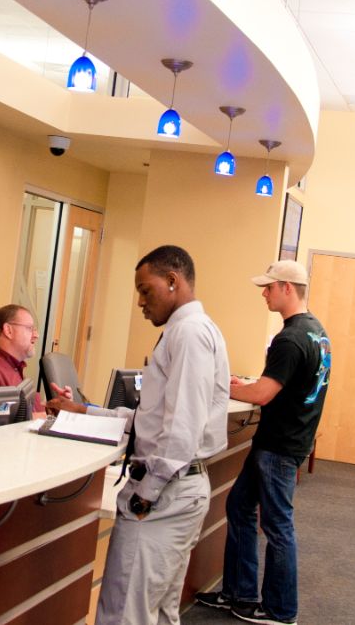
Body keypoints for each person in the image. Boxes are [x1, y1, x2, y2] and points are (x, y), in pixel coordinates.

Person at [46, 245, 230, 625]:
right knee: (157, 612)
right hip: (177, 490)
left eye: (146, 290)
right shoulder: (186, 331)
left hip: (165, 494)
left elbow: (182, 426)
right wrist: (85, 411)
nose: (140, 302)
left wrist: (145, 495)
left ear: (173, 282)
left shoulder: (189, 334)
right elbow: (154, 419)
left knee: (126, 612)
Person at [195, 259, 332, 625]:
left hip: (279, 447)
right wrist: (247, 385)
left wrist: (233, 386)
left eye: (269, 287)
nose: (264, 293)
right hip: (287, 440)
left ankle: (280, 610)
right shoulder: (317, 331)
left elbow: (265, 393)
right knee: (240, 507)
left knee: (277, 526)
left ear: (287, 288)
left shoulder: (289, 338)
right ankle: (238, 594)